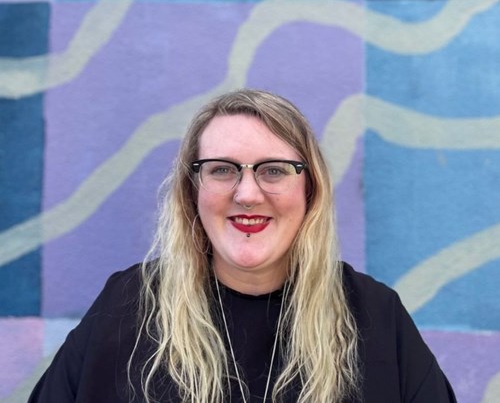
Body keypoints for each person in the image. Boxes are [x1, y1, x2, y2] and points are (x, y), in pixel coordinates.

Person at [29, 89, 457, 402]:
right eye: (222, 170)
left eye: (273, 170)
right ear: (191, 190)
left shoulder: (376, 316)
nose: (247, 193)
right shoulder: (126, 306)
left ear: (310, 190)